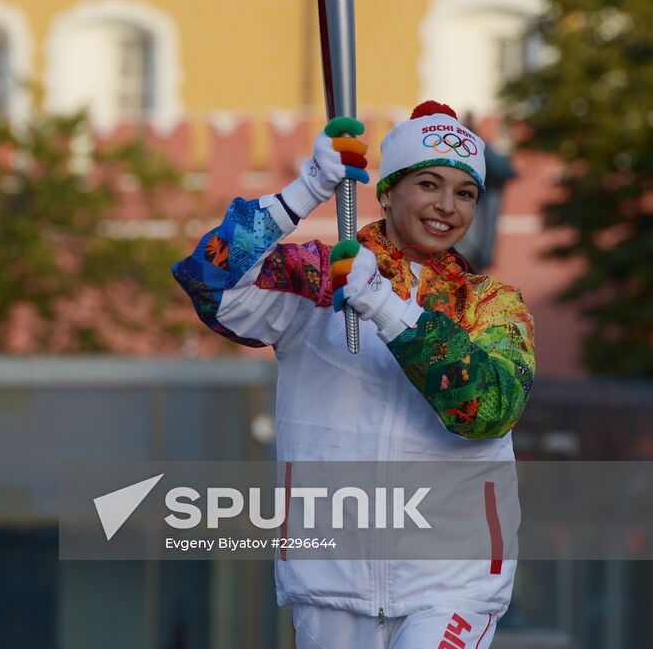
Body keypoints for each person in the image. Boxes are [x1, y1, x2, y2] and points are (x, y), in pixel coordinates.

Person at [172, 100, 535, 648]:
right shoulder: (317, 279)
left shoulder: (490, 304)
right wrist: (306, 190)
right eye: (429, 184)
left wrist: (387, 309)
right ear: (387, 190)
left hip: (452, 583)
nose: (447, 206)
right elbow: (208, 281)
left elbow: (489, 410)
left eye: (465, 193)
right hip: (328, 581)